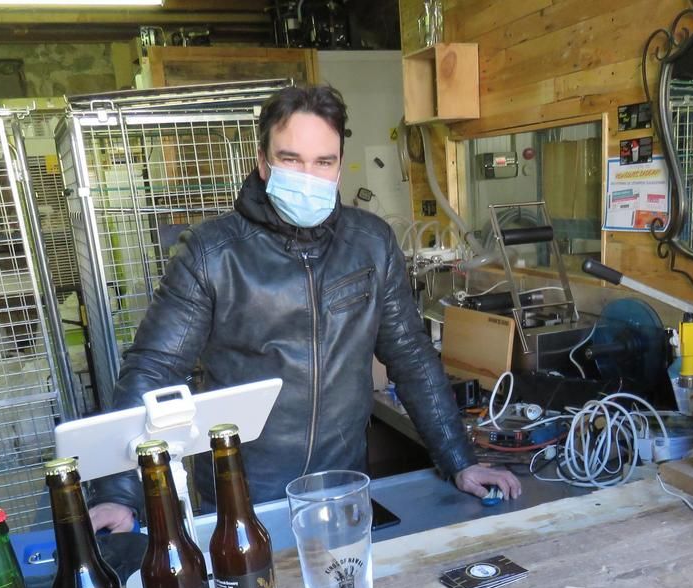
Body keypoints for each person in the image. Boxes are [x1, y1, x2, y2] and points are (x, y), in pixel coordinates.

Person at [89, 84, 520, 532]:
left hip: (343, 487)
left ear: (338, 169)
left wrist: (459, 459)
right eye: (291, 159)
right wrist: (120, 494)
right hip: (242, 499)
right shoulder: (212, 254)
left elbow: (410, 354)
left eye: (323, 162)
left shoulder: (370, 244)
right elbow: (153, 370)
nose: (307, 175)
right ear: (262, 162)